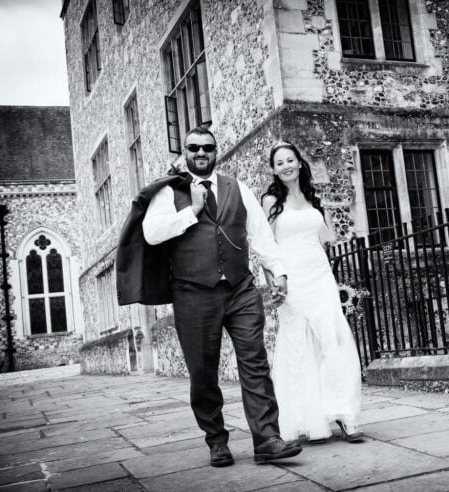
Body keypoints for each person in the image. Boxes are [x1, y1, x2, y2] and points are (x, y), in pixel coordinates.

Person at [122, 127, 301, 467]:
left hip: (240, 290)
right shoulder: (169, 192)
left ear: (216, 151)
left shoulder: (237, 188)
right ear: (185, 152)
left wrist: (278, 272)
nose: (201, 152)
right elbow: (152, 233)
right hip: (192, 294)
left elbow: (260, 235)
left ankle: (267, 439)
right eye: (194, 148)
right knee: (203, 373)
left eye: (207, 147)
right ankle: (217, 440)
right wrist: (192, 210)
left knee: (255, 365)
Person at [261, 141, 363, 443]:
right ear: (274, 170)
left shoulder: (312, 198)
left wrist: (324, 209)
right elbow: (267, 247)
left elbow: (328, 237)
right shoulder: (270, 201)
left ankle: (345, 415)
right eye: (279, 163)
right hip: (291, 280)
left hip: (320, 276)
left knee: (332, 341)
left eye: (290, 160)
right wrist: (274, 282)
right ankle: (301, 418)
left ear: (299, 163)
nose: (286, 166)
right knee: (297, 344)